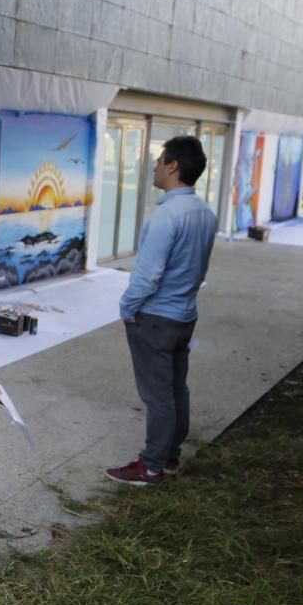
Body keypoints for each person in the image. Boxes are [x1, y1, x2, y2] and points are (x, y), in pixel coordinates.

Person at [106, 136, 216, 486]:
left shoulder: (167, 215)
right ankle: (169, 456)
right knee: (175, 389)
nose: (154, 166)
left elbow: (147, 276)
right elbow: (198, 270)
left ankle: (151, 466)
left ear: (173, 166)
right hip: (184, 315)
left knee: (158, 396)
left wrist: (127, 308)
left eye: (159, 160)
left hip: (155, 318)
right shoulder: (205, 213)